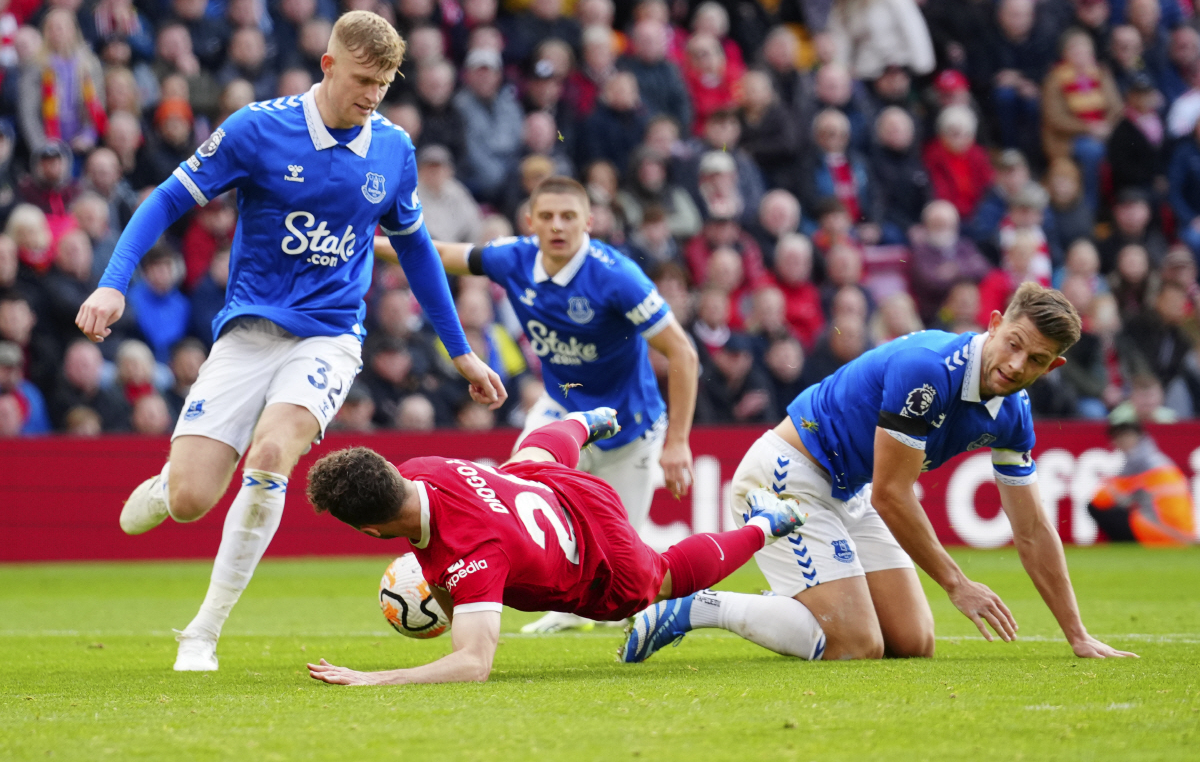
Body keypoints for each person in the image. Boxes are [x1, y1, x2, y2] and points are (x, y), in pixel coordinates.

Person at [74, 11, 506, 673]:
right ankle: (168, 488)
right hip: (249, 333)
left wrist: (460, 350)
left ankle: (202, 632)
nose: (372, 96)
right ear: (328, 65)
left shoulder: (393, 149)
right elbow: (165, 199)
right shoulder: (257, 128)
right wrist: (113, 283)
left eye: (384, 84)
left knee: (273, 451)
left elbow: (417, 250)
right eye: (362, 79)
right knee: (191, 500)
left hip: (330, 336)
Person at [623, 283, 1137, 663]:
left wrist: (1077, 634)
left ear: (1053, 367)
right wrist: (957, 583)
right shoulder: (929, 370)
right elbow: (892, 495)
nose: (1017, 364)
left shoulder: (1014, 412)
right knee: (857, 644)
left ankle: (799, 606)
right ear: (995, 323)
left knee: (913, 642)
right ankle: (697, 607)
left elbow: (1032, 529)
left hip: (848, 491)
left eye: (1037, 359)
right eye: (1014, 343)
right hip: (788, 476)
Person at [305, 408, 814, 686]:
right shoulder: (421, 469)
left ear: (372, 531)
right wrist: (445, 590)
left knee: (659, 579)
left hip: (599, 551)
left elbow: (474, 665)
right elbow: (438, 551)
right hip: (554, 487)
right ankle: (586, 422)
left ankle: (767, 524)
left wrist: (375, 679)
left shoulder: (472, 560)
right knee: (526, 459)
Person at [426, 176, 699, 634]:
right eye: (547, 216)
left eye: (568, 216)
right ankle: (548, 605)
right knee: (519, 499)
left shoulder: (618, 277)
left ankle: (647, 607)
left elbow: (683, 353)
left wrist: (678, 442)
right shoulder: (513, 257)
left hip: (628, 426)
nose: (557, 225)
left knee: (624, 573)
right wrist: (365, 242)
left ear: (588, 222)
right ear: (529, 221)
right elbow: (437, 252)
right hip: (562, 412)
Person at [1089, 420, 1196, 546]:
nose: (1123, 441)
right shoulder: (1159, 460)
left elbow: (1101, 499)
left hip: (1159, 531)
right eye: (1120, 437)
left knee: (1097, 508)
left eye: (1126, 436)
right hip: (1182, 530)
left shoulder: (1138, 465)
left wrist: (1111, 487)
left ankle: (1126, 546)